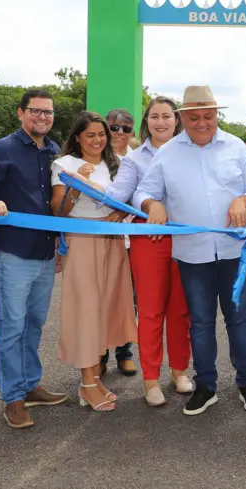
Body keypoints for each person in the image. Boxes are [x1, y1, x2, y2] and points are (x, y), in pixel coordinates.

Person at [134, 85, 246, 416]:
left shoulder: (235, 146)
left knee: (240, 319)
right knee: (202, 323)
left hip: (235, 251)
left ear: (216, 115)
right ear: (183, 118)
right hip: (192, 255)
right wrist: (152, 204)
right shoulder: (168, 152)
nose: (202, 122)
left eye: (208, 115)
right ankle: (206, 386)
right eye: (194, 117)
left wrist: (244, 200)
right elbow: (143, 192)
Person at [0, 89, 67, 429]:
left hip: (44, 252)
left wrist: (58, 244)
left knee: (34, 324)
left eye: (48, 112)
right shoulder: (3, 149)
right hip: (13, 252)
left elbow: (56, 203)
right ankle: (13, 398)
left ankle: (31, 385)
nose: (43, 117)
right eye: (36, 111)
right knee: (10, 327)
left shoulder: (55, 152)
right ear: (20, 113)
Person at [106, 97, 193, 406]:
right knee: (152, 311)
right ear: (147, 123)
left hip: (186, 241)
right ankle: (151, 379)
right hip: (149, 241)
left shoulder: (192, 151)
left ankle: (179, 371)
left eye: (166, 116)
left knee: (181, 310)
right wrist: (84, 182)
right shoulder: (135, 159)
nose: (160, 122)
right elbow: (118, 195)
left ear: (176, 120)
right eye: (154, 116)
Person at [50, 112, 137, 412]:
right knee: (86, 310)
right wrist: (78, 184)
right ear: (77, 138)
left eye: (102, 134)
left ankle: (94, 380)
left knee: (105, 309)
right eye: (91, 135)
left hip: (113, 242)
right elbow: (58, 210)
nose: (98, 140)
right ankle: (88, 384)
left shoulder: (118, 164)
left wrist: (118, 214)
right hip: (82, 240)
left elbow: (129, 199)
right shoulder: (65, 165)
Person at [101, 107, 139, 377]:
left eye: (126, 128)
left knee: (129, 300)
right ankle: (99, 354)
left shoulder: (138, 160)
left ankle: (124, 352)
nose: (119, 133)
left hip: (132, 239)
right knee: (103, 298)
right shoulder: (95, 160)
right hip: (102, 239)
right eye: (114, 127)